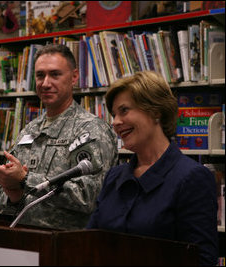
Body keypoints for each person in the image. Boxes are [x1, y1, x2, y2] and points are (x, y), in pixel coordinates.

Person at [86, 71, 218, 266]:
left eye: (124, 111)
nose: (115, 122)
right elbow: (90, 243)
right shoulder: (114, 177)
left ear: (155, 111)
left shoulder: (192, 178)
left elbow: (202, 260)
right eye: (114, 115)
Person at [0, 44, 118, 230]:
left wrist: (26, 180)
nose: (45, 83)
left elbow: (89, 196)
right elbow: (4, 201)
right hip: (25, 241)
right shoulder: (29, 130)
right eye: (40, 75)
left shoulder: (90, 129)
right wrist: (12, 190)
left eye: (55, 74)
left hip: (68, 247)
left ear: (74, 77)